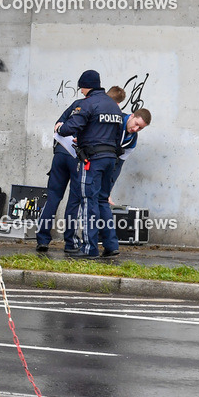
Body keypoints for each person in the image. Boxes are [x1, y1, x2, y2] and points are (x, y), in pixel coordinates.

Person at [55, 70, 124, 258]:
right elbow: (119, 137)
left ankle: (90, 249)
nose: (81, 92)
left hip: (92, 160)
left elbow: (72, 127)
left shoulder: (88, 103)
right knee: (102, 201)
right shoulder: (114, 106)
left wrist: (60, 127)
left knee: (88, 202)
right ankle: (111, 245)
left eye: (81, 88)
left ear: (86, 86)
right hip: (110, 159)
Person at [96, 108, 152, 256]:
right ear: (131, 116)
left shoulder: (132, 139)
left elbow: (118, 166)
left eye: (140, 128)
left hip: (108, 167)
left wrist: (108, 189)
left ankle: (107, 245)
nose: (135, 129)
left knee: (101, 203)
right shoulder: (115, 121)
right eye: (136, 124)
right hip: (95, 163)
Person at [35, 98, 81, 253]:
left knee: (53, 197)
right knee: (74, 201)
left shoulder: (76, 104)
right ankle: (70, 243)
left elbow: (58, 124)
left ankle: (42, 239)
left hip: (60, 153)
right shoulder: (95, 106)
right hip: (78, 157)